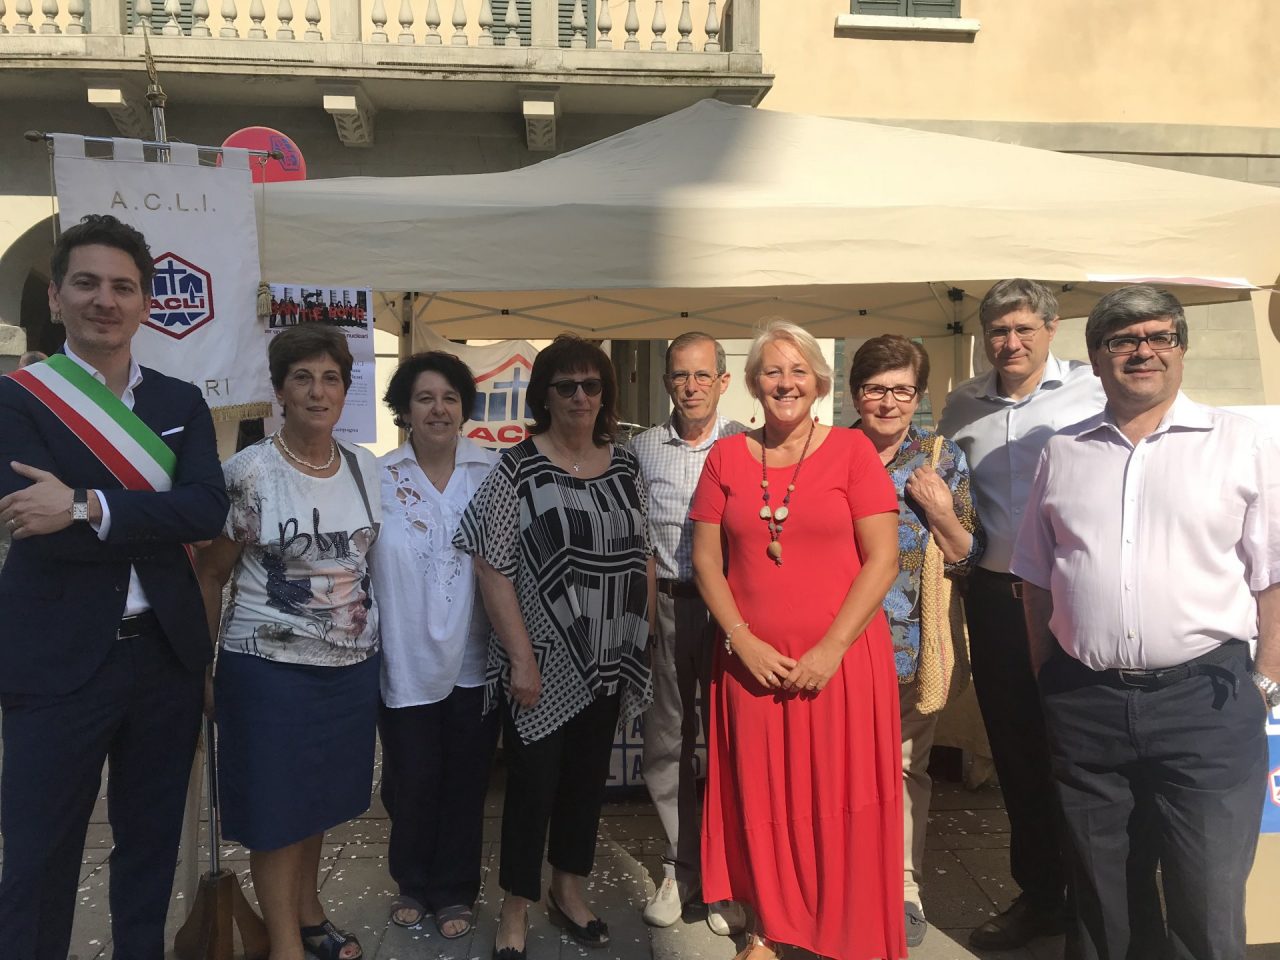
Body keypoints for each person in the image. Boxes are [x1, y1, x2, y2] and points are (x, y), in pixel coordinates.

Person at [1013, 285, 1278, 960]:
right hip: (1086, 704)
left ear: (1181, 350)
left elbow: (1272, 576)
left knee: (1206, 902)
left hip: (1205, 703)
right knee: (1103, 905)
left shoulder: (1240, 443)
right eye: (1123, 340)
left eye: (1160, 337)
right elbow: (1035, 579)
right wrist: (1049, 677)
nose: (1143, 352)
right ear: (1098, 358)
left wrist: (1266, 681)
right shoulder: (1062, 451)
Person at [0, 214, 228, 960]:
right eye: (88, 284)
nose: (106, 300)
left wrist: (84, 505)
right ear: (56, 296)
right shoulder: (18, 398)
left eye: (124, 287)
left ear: (146, 303)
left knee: (151, 845)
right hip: (55, 659)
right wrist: (142, 514)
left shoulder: (179, 402)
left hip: (164, 655)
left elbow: (206, 509)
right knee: (37, 853)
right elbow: (25, 514)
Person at [691, 319, 903, 960]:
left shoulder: (853, 451)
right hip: (750, 665)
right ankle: (766, 929)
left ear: (819, 382)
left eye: (798, 371)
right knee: (761, 797)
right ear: (753, 383)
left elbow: (883, 559)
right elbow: (706, 561)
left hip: (843, 663)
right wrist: (741, 640)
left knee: (839, 798)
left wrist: (830, 649)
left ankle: (845, 930)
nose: (785, 383)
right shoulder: (726, 457)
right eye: (772, 372)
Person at [454, 334, 654, 960]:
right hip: (542, 660)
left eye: (591, 385)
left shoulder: (625, 466)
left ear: (605, 395)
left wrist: (638, 636)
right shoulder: (516, 467)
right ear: (543, 395)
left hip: (608, 656)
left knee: (585, 783)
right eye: (565, 386)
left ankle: (568, 889)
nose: (579, 397)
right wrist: (520, 658)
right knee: (532, 788)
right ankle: (516, 905)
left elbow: (643, 553)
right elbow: (492, 565)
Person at [196, 324, 380, 960]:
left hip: (350, 670)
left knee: (319, 800)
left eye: (330, 378)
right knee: (277, 811)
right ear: (279, 391)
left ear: (345, 390)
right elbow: (211, 574)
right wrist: (202, 669)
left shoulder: (364, 467)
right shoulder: (248, 473)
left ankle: (308, 916)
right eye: (302, 378)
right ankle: (285, 947)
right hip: (267, 670)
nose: (317, 391)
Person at [937, 278, 1105, 950]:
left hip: (1073, 600)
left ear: (1051, 329)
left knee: (1082, 753)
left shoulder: (1094, 390)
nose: (1010, 342)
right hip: (996, 601)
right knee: (1016, 753)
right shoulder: (962, 404)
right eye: (999, 330)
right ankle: (1039, 895)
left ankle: (1094, 902)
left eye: (1023, 328)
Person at [849, 334, 984, 948]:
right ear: (856, 394)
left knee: (906, 768)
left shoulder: (939, 457)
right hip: (839, 644)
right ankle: (850, 877)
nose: (889, 403)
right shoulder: (830, 452)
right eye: (876, 389)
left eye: (902, 391)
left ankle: (904, 885)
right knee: (843, 768)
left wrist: (941, 511)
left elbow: (966, 554)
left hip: (910, 644)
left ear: (920, 395)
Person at [371, 351, 499, 936]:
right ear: (404, 409)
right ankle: (412, 880)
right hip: (404, 656)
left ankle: (454, 890)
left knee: (466, 779)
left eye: (449, 398)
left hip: (475, 657)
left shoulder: (492, 471)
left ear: (464, 408)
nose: (438, 409)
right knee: (412, 777)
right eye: (425, 398)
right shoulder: (377, 476)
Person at [631, 332, 747, 935]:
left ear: (723, 381)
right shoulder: (642, 449)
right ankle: (682, 867)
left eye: (703, 375)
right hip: (671, 607)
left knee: (734, 740)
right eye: (681, 375)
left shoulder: (748, 444)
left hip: (735, 612)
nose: (692, 386)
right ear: (667, 382)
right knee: (667, 742)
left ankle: (728, 877)